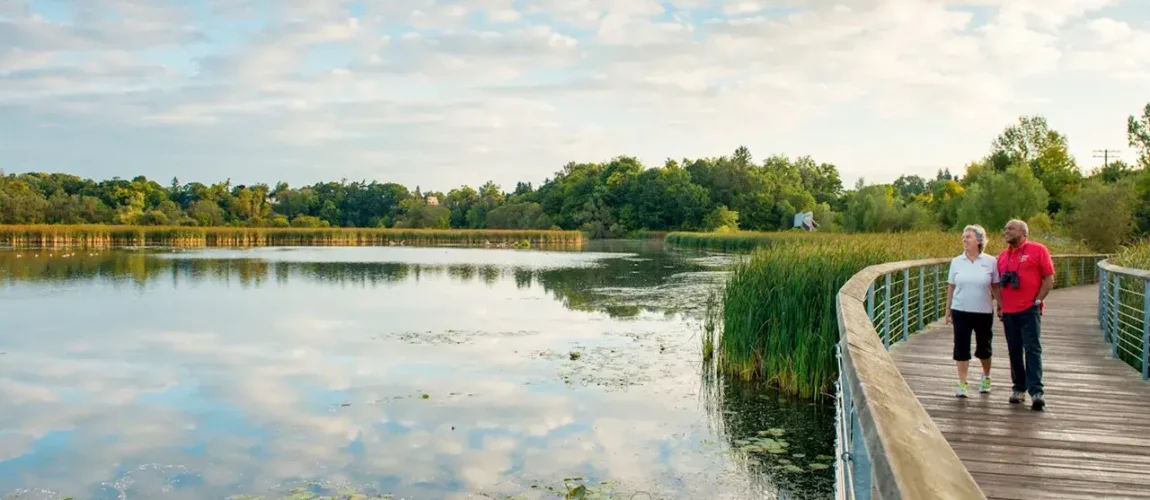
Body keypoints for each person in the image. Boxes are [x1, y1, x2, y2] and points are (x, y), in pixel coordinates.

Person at [997, 219, 1055, 411]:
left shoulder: (1038, 250)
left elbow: (1048, 278)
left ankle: (1036, 392)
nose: (1006, 231)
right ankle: (1018, 389)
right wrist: (1000, 306)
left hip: (1029, 309)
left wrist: (1037, 300)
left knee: (1032, 349)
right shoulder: (1003, 256)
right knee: (1014, 350)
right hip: (1009, 312)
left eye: (1011, 228)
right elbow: (997, 285)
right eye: (1005, 228)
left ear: (1023, 232)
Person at [945, 225, 1000, 398]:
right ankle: (962, 383)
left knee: (984, 347)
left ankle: (986, 376)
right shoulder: (956, 261)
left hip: (983, 310)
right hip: (960, 309)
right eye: (963, 236)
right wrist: (948, 310)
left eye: (968, 236)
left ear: (979, 240)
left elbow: (996, 286)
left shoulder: (990, 261)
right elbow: (951, 286)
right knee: (961, 347)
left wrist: (1001, 305)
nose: (964, 239)